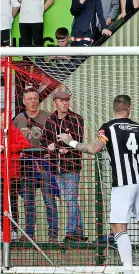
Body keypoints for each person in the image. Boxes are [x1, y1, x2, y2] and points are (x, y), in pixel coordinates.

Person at [57, 94, 139, 274]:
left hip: (123, 185)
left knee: (118, 226)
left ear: (114, 108)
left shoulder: (108, 127)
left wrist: (70, 141)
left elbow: (93, 149)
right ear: (129, 108)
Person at [13, 87, 59, 242]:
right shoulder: (18, 119)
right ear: (24, 101)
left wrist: (50, 150)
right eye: (29, 99)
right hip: (26, 163)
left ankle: (53, 233)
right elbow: (13, 140)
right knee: (28, 200)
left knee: (49, 199)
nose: (33, 101)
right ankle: (29, 233)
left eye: (35, 98)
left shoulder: (48, 117)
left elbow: (56, 138)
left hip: (44, 162)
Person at [40, 90, 87, 242]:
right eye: (61, 100)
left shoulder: (76, 119)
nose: (65, 103)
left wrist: (68, 146)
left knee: (70, 199)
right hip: (56, 167)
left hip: (71, 166)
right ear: (55, 102)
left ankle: (70, 232)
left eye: (67, 100)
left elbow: (78, 140)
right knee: (68, 199)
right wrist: (50, 145)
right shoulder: (50, 120)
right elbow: (43, 141)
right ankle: (79, 231)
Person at [0, 108, 31, 241]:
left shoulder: (13, 129)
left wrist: (7, 148)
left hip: (12, 174)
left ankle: (12, 230)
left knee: (12, 202)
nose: (5, 119)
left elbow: (25, 144)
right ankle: (2, 230)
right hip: (0, 173)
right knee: (1, 203)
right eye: (2, 116)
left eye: (7, 117)